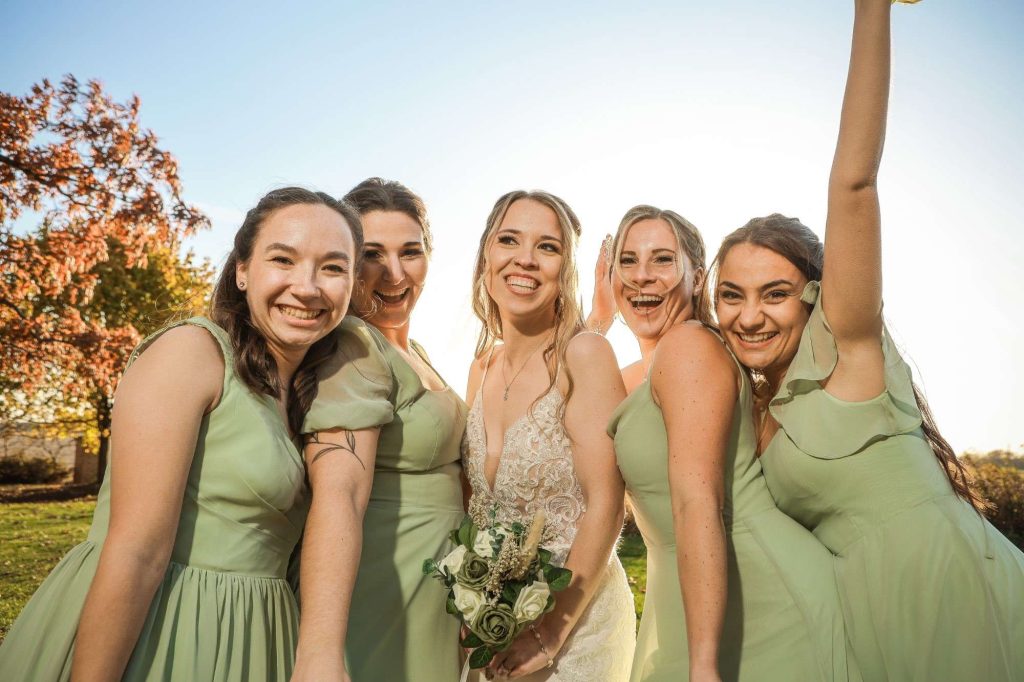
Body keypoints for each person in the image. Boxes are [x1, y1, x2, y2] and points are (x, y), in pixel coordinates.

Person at [710, 2, 1024, 680]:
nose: (749, 316)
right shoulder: (752, 405)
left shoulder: (849, 352)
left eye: (774, 292)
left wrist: (871, 9)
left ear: (813, 296)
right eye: (731, 295)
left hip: (946, 596)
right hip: (858, 623)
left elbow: (854, 182)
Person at [0, 187, 363, 681]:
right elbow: (137, 552)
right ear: (242, 270)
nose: (307, 287)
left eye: (333, 268)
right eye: (283, 259)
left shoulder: (313, 395)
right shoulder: (192, 352)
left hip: (258, 636)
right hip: (163, 630)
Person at [600, 206, 849, 682]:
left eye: (662, 259)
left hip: (758, 599)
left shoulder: (689, 347)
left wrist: (704, 664)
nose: (642, 276)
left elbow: (697, 502)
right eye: (627, 261)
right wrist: (597, 318)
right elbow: (573, 393)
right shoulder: (646, 370)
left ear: (698, 278)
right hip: (690, 594)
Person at [290, 178, 466, 681]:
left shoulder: (414, 350)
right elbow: (339, 494)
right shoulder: (353, 345)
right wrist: (321, 651)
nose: (394, 273)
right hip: (383, 592)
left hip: (430, 592)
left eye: (410, 252)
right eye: (372, 254)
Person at [462, 190, 635, 681]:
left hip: (574, 631)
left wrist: (549, 632)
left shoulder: (585, 355)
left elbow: (607, 503)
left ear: (566, 269)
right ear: (486, 255)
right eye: (509, 240)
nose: (525, 259)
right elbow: (478, 507)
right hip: (494, 627)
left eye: (547, 247)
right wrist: (475, 604)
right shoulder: (481, 367)